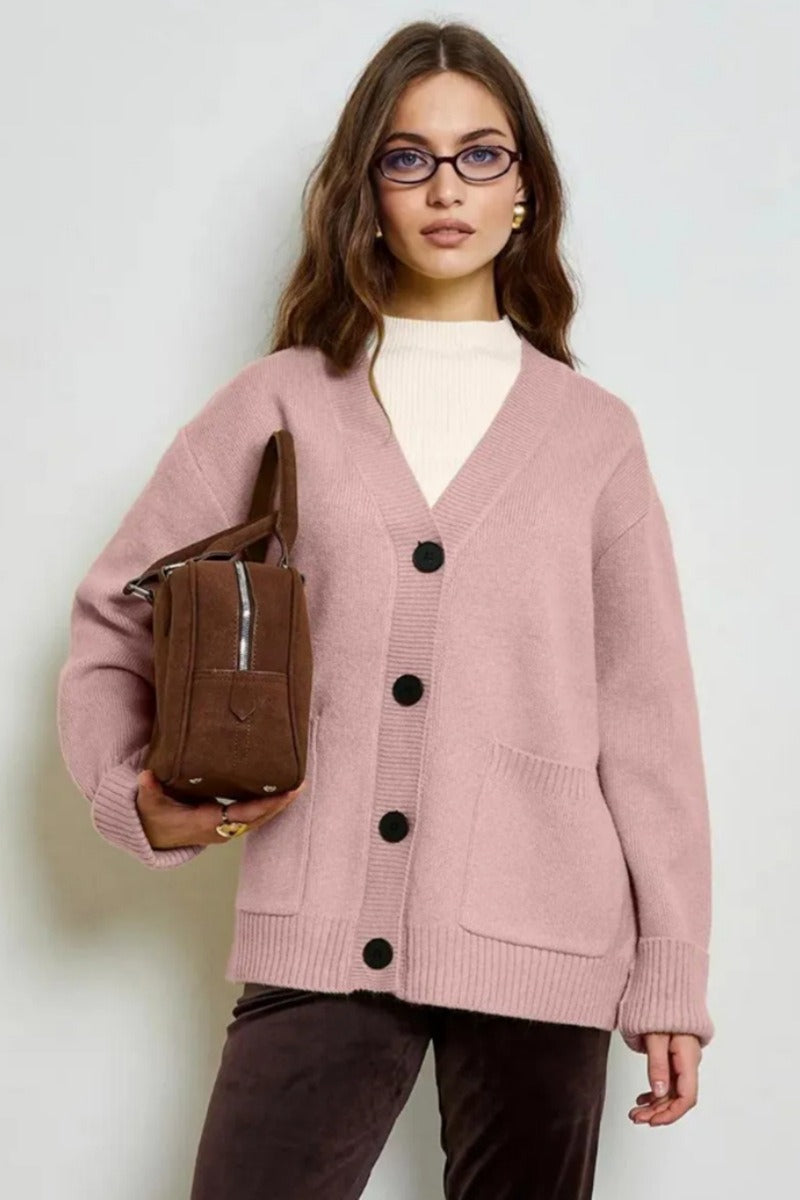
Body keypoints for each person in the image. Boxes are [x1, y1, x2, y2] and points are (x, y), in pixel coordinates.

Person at [56, 19, 714, 1200]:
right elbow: (118, 611)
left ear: (524, 188)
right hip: (317, 925)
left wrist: (669, 967)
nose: (445, 188)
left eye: (480, 155)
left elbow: (647, 718)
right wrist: (132, 793)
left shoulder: (592, 437)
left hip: (546, 936)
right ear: (366, 190)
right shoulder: (279, 403)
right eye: (407, 158)